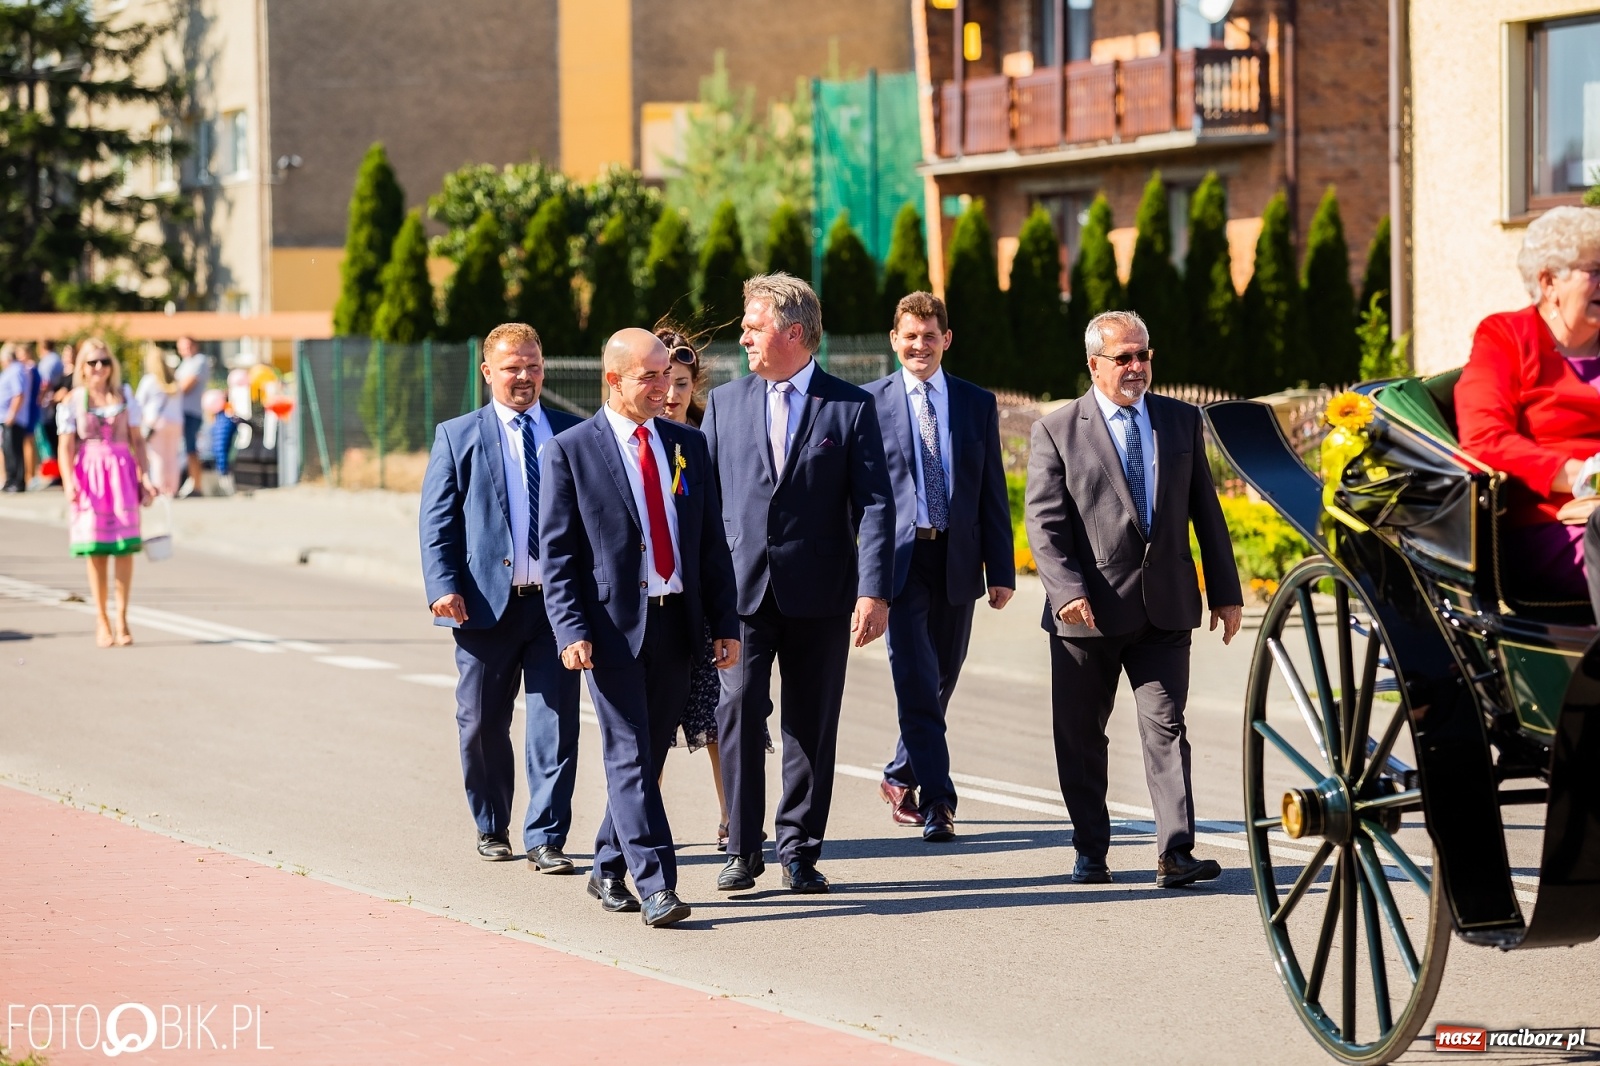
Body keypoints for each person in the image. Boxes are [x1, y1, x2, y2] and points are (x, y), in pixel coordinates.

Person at [1025, 310, 1243, 889]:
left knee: (1166, 725)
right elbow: (1043, 525)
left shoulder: (1179, 420)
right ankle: (1091, 849)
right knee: (1080, 736)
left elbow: (1206, 510)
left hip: (1164, 608)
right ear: (1095, 364)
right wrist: (1067, 592)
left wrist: (1225, 592)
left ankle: (1176, 851)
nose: (1137, 367)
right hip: (1087, 614)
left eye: (1143, 355)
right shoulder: (1057, 430)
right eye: (1124, 358)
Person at [701, 273, 896, 894]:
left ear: (792, 333)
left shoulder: (850, 407)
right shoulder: (726, 405)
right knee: (734, 711)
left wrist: (874, 591)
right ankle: (742, 846)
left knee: (810, 725)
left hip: (821, 594)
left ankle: (800, 851)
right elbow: (704, 509)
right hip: (741, 595)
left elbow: (876, 504)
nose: (743, 336)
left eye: (754, 327)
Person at [540, 328, 741, 927]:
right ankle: (657, 883)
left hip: (677, 624)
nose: (663, 388)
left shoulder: (686, 446)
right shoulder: (571, 450)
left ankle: (607, 867)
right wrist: (570, 629)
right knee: (628, 752)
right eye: (648, 376)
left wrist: (723, 624)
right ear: (613, 380)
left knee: (648, 755)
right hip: (609, 630)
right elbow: (560, 555)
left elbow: (709, 546)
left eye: (667, 375)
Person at [420, 322, 584, 871]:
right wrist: (443, 586)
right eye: (513, 367)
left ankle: (546, 836)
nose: (525, 376)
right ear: (488, 371)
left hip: (555, 608)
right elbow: (437, 523)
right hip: (485, 606)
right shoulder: (457, 435)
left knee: (555, 723)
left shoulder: (571, 433)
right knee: (481, 724)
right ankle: (492, 824)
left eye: (534, 366)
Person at [865, 292, 1016, 842]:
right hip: (899, 564)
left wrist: (1000, 569)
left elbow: (991, 490)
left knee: (941, 680)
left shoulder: (976, 403)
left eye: (930, 336)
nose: (919, 346)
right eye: (910, 336)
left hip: (956, 558)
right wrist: (865, 583)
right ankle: (939, 801)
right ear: (894, 339)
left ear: (946, 340)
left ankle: (899, 772)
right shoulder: (869, 403)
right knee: (916, 681)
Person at [1455, 206, 1600, 606]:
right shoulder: (1506, 337)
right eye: (1596, 270)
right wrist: (1585, 475)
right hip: (1549, 523)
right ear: (1549, 281)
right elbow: (1485, 439)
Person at [655, 325, 734, 849]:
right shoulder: (634, 439)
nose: (672, 395)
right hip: (656, 603)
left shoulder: (708, 441)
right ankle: (643, 823)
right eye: (665, 382)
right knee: (652, 728)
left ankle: (733, 819)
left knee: (717, 722)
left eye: (682, 384)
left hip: (705, 603)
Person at [57, 339, 156, 647]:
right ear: (82, 368)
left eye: (104, 361)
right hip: (90, 474)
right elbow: (66, 446)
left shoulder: (125, 395)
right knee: (97, 551)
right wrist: (69, 482)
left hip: (121, 473)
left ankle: (122, 619)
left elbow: (137, 440)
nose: (99, 367)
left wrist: (145, 476)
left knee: (124, 549)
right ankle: (101, 619)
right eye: (92, 362)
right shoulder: (74, 400)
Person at [135, 346, 185, 497]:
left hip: (157, 424)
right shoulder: (174, 380)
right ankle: (172, 489)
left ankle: (160, 489)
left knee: (158, 458)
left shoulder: (149, 380)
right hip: (176, 423)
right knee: (172, 457)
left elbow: (138, 404)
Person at [174, 336, 210, 497]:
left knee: (191, 449)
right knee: (184, 450)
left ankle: (197, 485)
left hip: (191, 413)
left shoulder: (199, 361)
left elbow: (186, 387)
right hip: (181, 412)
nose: (185, 349)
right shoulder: (185, 364)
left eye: (187, 346)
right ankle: (189, 483)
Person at [36, 341, 64, 485]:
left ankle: (56, 474)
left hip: (48, 407)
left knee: (51, 442)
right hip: (52, 406)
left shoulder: (48, 361)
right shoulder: (57, 360)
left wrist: (39, 399)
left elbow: (45, 382)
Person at [0, 344, 27, 493]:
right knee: (8, 450)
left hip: (13, 419)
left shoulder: (16, 370)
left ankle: (17, 481)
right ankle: (10, 480)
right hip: (6, 418)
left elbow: (19, 394)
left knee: (14, 451)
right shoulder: (10, 371)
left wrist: (12, 413)